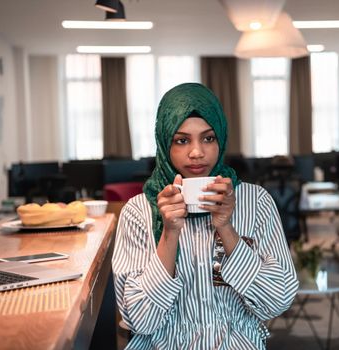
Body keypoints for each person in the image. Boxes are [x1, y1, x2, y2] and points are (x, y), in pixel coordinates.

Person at [112, 83, 298, 349]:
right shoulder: (138, 211)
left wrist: (227, 229)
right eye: (182, 140)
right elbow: (141, 321)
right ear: (165, 143)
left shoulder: (255, 202)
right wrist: (169, 232)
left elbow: (277, 301)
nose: (197, 152)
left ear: (220, 139)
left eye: (208, 138)